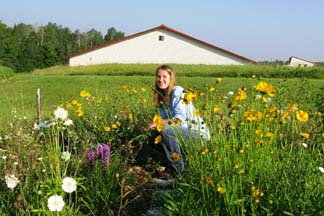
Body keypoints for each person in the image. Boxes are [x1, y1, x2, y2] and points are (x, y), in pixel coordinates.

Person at [148, 64, 210, 176]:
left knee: (166, 130)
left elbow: (179, 120)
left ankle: (176, 170)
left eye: (164, 77)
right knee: (156, 132)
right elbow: (165, 121)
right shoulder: (161, 97)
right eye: (158, 77)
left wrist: (158, 123)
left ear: (171, 79)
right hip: (183, 133)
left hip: (198, 136)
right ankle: (170, 163)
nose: (160, 80)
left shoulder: (177, 92)